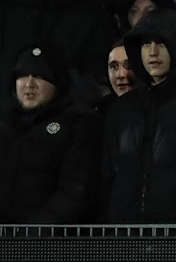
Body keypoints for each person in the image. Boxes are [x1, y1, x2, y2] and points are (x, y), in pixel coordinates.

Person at [102, 7, 176, 223]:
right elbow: (106, 175)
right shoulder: (123, 108)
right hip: (122, 237)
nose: (152, 52)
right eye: (145, 44)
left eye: (161, 43)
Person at [0, 0, 116, 110]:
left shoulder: (90, 18)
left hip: (68, 117)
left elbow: (99, 73)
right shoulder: (8, 16)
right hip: (10, 118)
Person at [0, 43, 101, 223]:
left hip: (49, 243)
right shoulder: (5, 125)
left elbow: (75, 191)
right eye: (22, 75)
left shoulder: (78, 124)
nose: (29, 84)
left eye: (40, 76)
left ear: (58, 81)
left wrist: (35, 233)